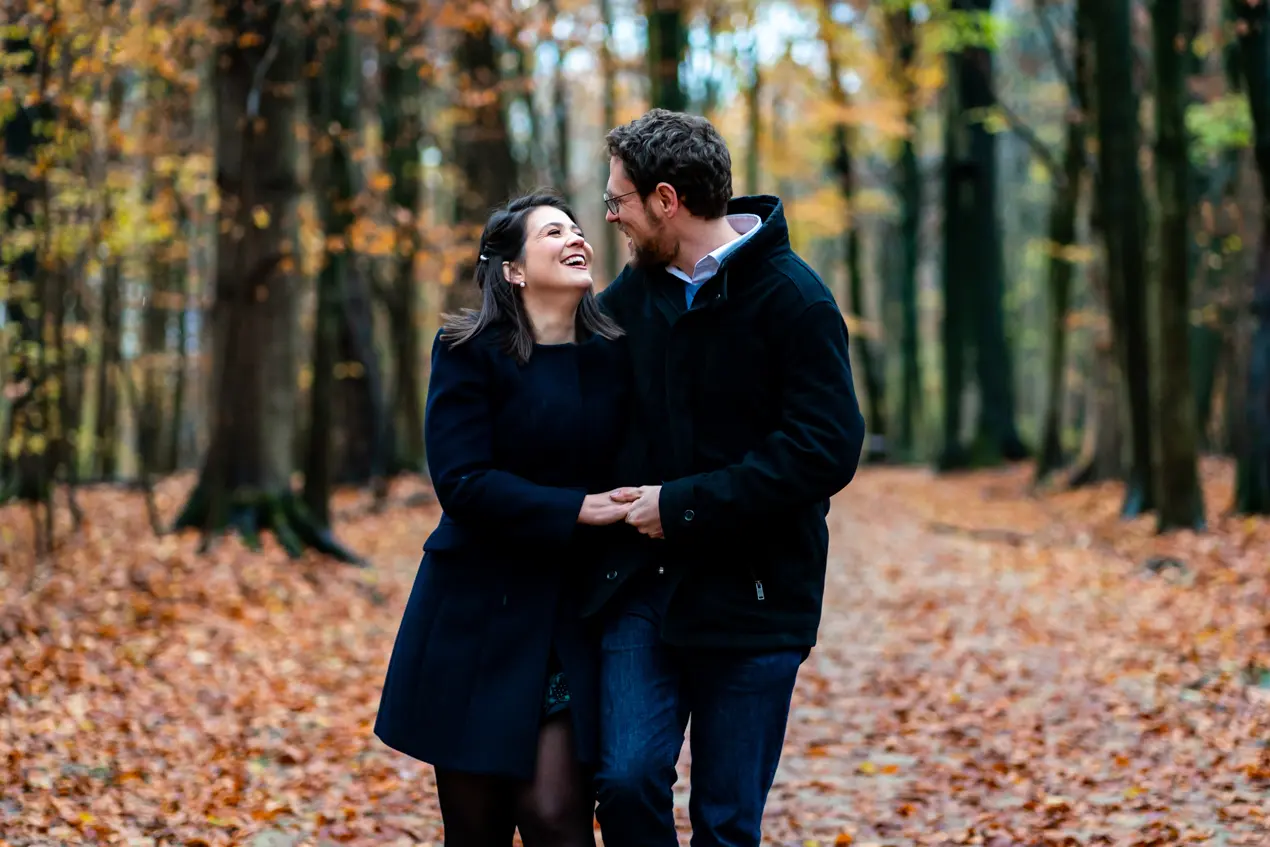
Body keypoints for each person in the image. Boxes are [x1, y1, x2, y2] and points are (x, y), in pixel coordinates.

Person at [585, 109, 867, 847]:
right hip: (644, 588)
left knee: (725, 822)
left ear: (666, 200)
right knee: (624, 778)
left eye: (619, 199)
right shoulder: (625, 301)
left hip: (758, 596)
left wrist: (679, 505)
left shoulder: (794, 299)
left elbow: (825, 449)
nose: (611, 213)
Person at [374, 192, 636, 847]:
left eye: (578, 228)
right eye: (554, 231)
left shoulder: (612, 355)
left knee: (556, 815)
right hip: (475, 617)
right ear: (514, 269)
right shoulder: (467, 349)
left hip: (566, 622)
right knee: (475, 828)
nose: (577, 237)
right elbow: (462, 481)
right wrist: (576, 507)